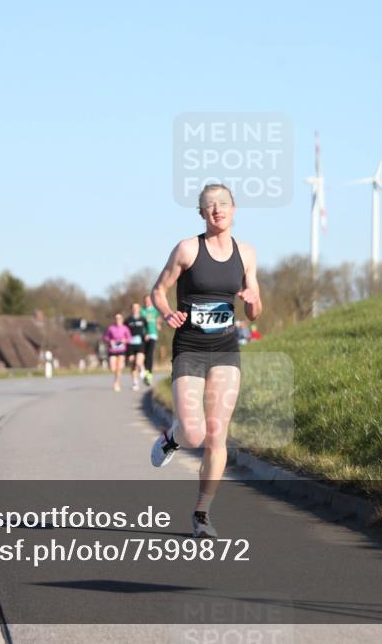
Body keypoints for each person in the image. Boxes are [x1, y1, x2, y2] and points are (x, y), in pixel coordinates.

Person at [149, 183, 262, 538]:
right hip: (191, 348)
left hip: (226, 350)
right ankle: (173, 435)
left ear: (234, 209)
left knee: (217, 433)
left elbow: (255, 312)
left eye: (223, 203)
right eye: (210, 205)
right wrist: (167, 313)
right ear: (202, 213)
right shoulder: (187, 249)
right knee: (194, 432)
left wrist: (252, 298)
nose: (217, 209)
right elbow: (157, 290)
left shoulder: (246, 253)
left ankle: (201, 513)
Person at [102, 313, 131, 391]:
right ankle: (117, 375)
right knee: (112, 368)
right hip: (112, 349)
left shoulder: (125, 328)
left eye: (119, 318)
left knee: (118, 368)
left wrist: (124, 340)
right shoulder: (111, 328)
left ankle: (117, 382)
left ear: (122, 320)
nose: (118, 320)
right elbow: (105, 337)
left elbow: (129, 338)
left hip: (122, 350)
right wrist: (110, 341)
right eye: (116, 318)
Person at [125, 303, 148, 391]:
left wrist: (147, 334)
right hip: (130, 344)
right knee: (132, 363)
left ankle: (142, 369)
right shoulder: (128, 320)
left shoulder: (143, 319)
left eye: (136, 308)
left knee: (138, 362)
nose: (135, 309)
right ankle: (135, 383)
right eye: (133, 308)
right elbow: (124, 330)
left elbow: (147, 328)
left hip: (140, 343)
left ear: (139, 309)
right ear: (131, 309)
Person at [140, 293, 161, 385]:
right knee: (143, 355)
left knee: (150, 354)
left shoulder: (155, 310)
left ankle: (149, 373)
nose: (147, 302)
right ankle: (144, 370)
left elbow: (159, 316)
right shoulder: (141, 311)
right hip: (143, 335)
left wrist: (158, 323)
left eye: (148, 300)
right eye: (145, 300)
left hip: (152, 334)